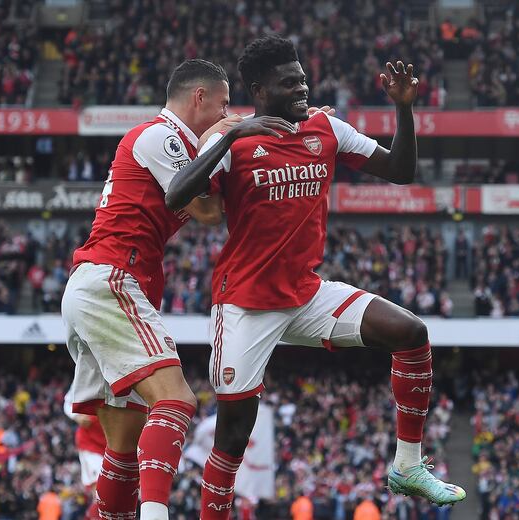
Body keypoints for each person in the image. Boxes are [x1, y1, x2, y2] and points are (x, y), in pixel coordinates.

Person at [166, 36, 466, 519]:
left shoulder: (326, 128)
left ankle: (408, 466)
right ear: (260, 90)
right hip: (244, 303)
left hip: (306, 293)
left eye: (303, 77)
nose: (302, 87)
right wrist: (228, 137)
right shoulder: (236, 139)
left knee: (411, 332)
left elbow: (402, 170)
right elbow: (176, 195)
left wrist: (404, 110)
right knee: (233, 436)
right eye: (290, 82)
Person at [61, 59, 232, 520]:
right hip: (112, 280)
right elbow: (209, 211)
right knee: (176, 400)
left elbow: (210, 199)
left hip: (97, 285)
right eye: (224, 105)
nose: (227, 113)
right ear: (199, 98)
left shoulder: (171, 143)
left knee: (124, 440)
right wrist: (228, 137)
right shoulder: (161, 136)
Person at [64, 386, 107, 519]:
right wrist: (76, 416)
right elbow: (68, 400)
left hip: (112, 442)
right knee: (102, 492)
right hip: (90, 443)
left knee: (115, 493)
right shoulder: (89, 368)